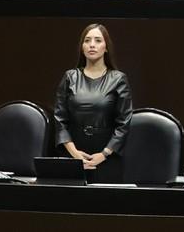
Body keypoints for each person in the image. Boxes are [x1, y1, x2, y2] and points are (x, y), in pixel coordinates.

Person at [54, 23, 132, 182]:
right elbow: (60, 119)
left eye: (98, 40)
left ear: (106, 47)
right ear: (82, 47)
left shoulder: (118, 79)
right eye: (87, 40)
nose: (92, 45)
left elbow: (124, 122)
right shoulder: (70, 77)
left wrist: (104, 154)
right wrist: (74, 154)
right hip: (73, 155)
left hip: (107, 158)